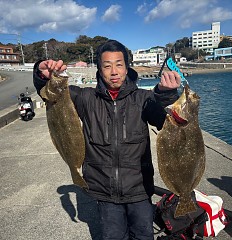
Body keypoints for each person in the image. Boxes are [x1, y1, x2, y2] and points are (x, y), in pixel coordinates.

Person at [33, 40, 181, 240]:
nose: (114, 71)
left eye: (119, 64)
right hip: (105, 193)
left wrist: (165, 94)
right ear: (99, 69)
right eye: (107, 65)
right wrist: (43, 76)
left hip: (140, 190)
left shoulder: (142, 98)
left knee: (143, 236)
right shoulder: (85, 98)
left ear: (127, 68)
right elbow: (53, 95)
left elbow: (164, 120)